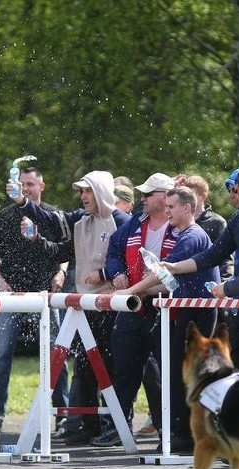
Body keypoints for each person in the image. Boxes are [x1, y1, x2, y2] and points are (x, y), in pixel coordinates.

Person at [14, 170, 130, 444]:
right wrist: (34, 235)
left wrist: (104, 277)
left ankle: (116, 426)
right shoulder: (81, 220)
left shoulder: (123, 221)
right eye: (81, 192)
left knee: (115, 368)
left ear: (101, 191)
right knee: (86, 365)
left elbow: (129, 266)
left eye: (87, 191)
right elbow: (59, 248)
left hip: (115, 308)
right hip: (86, 306)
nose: (83, 197)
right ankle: (86, 424)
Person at [118, 186, 218, 453]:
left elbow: (163, 273)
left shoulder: (191, 237)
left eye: (172, 207)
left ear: (187, 208)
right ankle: (182, 434)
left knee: (188, 375)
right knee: (178, 374)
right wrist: (143, 293)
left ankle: (188, 436)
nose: (167, 210)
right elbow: (169, 283)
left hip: (198, 314)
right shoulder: (186, 235)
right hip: (188, 312)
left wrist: (129, 291)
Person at [164, 163, 239, 378]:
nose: (234, 191)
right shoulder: (238, 219)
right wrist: (175, 267)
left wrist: (229, 286)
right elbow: (214, 254)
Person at [91, 172, 177, 448]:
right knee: (124, 370)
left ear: (164, 197)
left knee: (167, 372)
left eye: (148, 194)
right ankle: (117, 428)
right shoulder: (135, 223)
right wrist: (116, 273)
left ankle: (171, 431)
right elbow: (114, 251)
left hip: (164, 308)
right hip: (132, 307)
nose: (142, 198)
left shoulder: (181, 226)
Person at [0, 163, 69, 431]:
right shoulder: (5, 216)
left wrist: (62, 274)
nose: (26, 189)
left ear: (41, 186)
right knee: (1, 355)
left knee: (56, 353)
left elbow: (67, 251)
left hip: (46, 294)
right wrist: (0, 283)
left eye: (31, 184)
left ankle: (63, 412)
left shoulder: (53, 215)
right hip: (13, 294)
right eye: (22, 185)